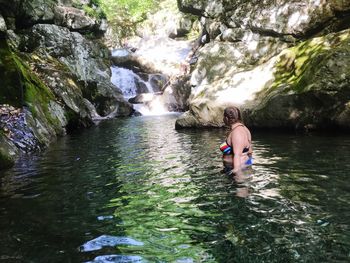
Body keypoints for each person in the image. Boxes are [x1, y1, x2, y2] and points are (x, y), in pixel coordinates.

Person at [220, 106, 253, 175]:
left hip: (238, 168)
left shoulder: (237, 132)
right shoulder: (244, 128)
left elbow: (237, 155)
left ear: (226, 118)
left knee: (241, 185)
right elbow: (250, 151)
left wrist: (238, 176)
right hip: (243, 165)